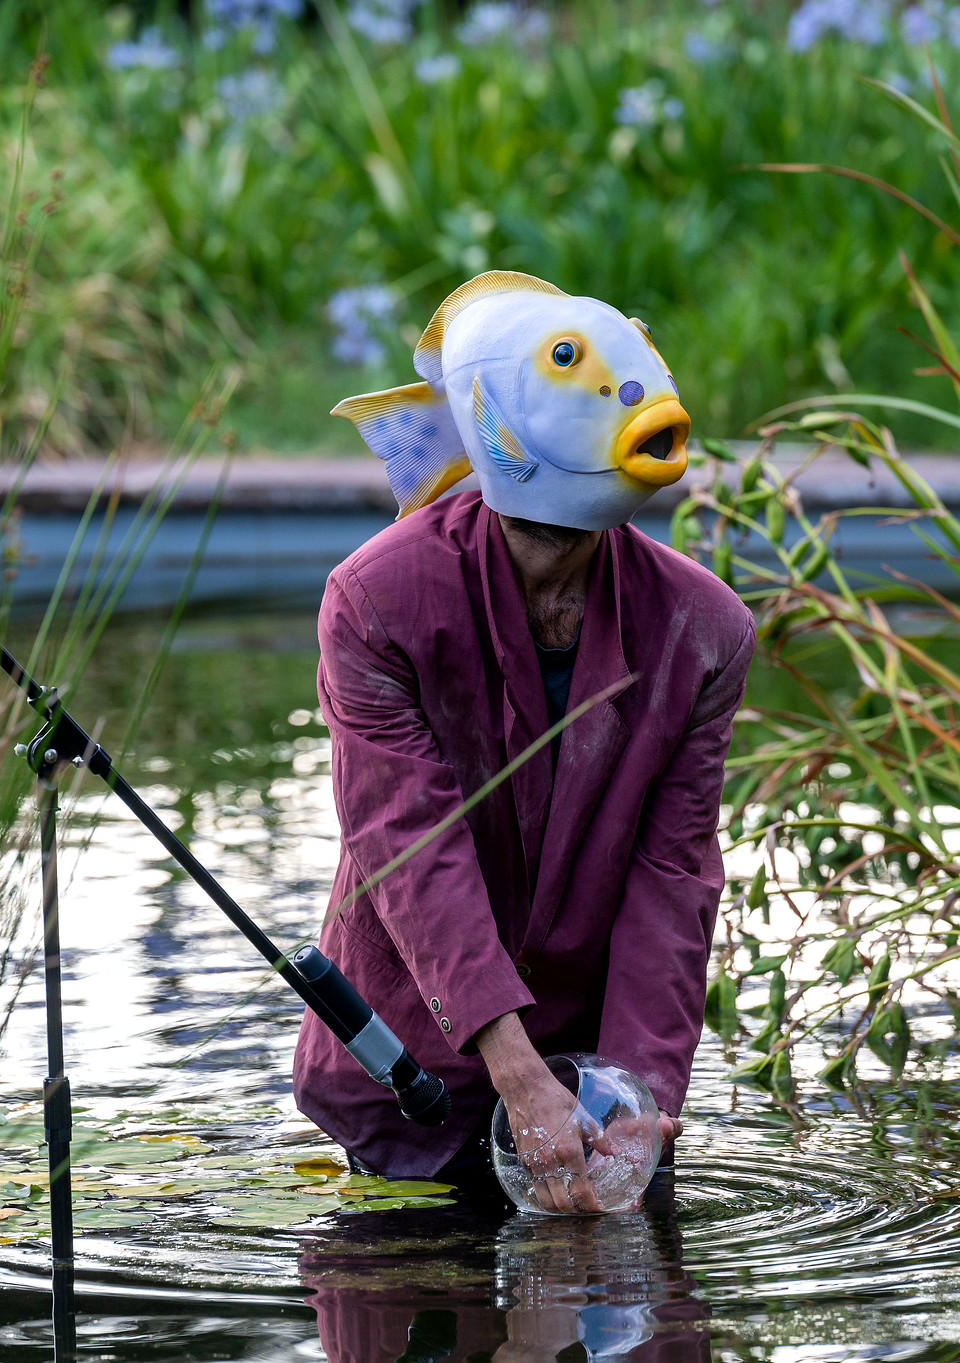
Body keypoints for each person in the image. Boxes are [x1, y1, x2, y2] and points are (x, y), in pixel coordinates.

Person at [291, 271, 754, 1211]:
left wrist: (640, 1094)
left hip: (595, 1091)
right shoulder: (377, 601)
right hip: (404, 1083)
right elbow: (408, 848)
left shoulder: (704, 630)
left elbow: (674, 876)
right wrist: (513, 1065)